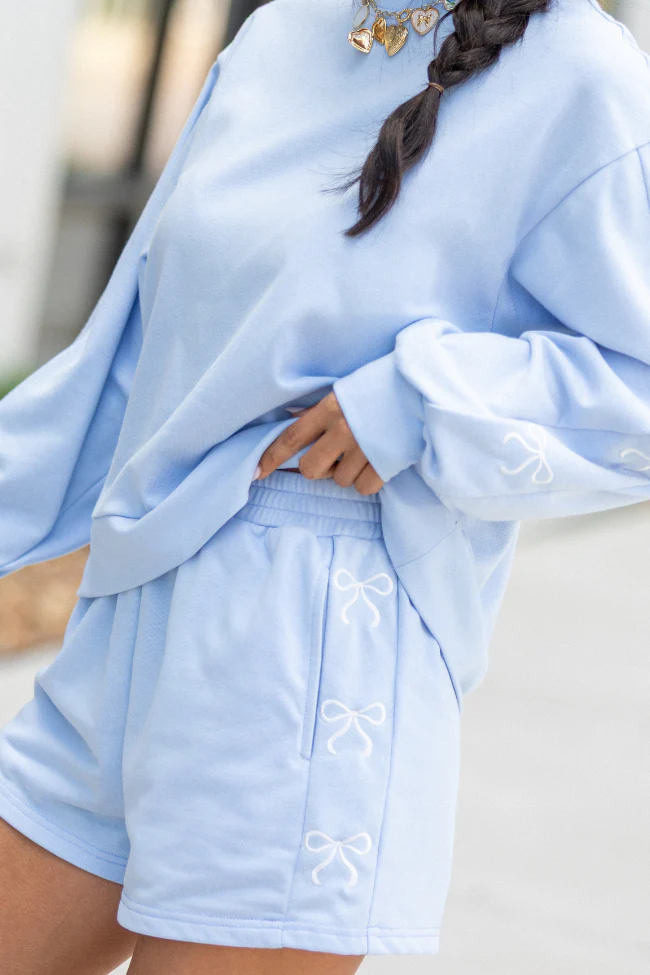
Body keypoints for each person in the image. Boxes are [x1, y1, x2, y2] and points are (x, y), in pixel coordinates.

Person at [1, 0, 649, 971]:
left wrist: (419, 399)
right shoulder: (281, 33)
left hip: (313, 649)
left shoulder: (582, 76)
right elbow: (134, 345)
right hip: (133, 611)